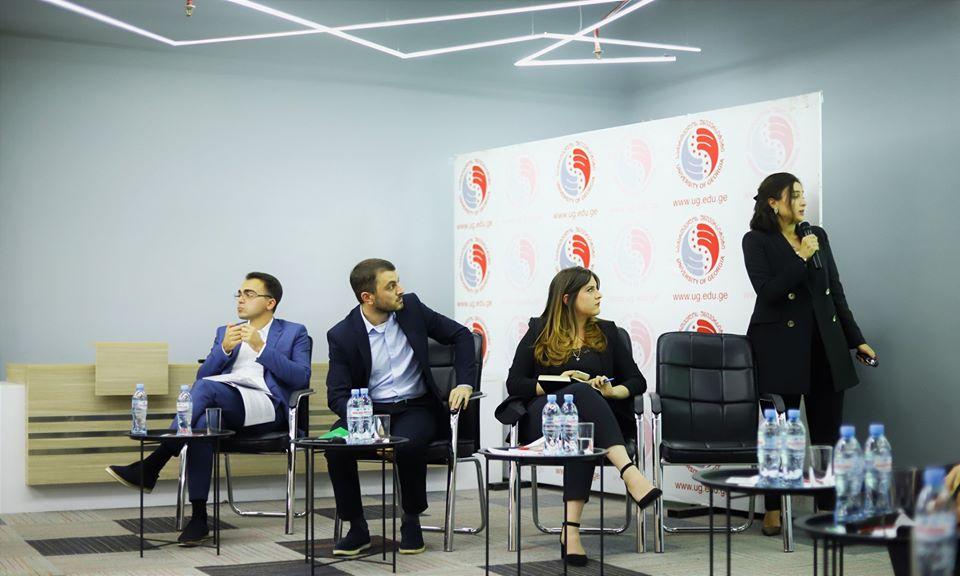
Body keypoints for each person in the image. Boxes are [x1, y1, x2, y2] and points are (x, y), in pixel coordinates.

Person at [106, 272, 311, 545]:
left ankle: (154, 461)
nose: (240, 299)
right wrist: (223, 349)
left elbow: (301, 378)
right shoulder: (225, 332)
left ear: (270, 302)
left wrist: (261, 348)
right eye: (239, 294)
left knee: (204, 391)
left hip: (266, 407)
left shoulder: (295, 332)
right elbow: (203, 375)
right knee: (202, 424)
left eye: (249, 294)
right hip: (229, 402)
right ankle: (199, 518)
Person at [495, 266, 660, 566]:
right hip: (544, 420)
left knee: (583, 427)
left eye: (598, 288)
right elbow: (515, 383)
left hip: (589, 424)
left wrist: (611, 391)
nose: (599, 295)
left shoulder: (608, 332)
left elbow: (637, 381)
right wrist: (560, 382)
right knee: (580, 394)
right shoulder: (539, 330)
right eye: (590, 290)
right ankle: (630, 473)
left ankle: (570, 532)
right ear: (567, 298)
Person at [742, 173, 877, 535]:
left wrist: (855, 339)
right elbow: (767, 292)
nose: (803, 202)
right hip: (778, 348)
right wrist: (801, 258)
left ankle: (826, 508)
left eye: (804, 195)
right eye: (795, 195)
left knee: (827, 436)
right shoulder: (756, 241)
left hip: (824, 345)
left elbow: (834, 290)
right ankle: (773, 507)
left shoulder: (816, 235)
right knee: (779, 434)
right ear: (773, 202)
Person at [325, 258, 476, 556]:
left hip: (415, 407)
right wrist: (369, 425)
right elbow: (337, 395)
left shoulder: (412, 308)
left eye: (398, 282)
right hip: (369, 412)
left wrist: (464, 383)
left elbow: (461, 335)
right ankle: (356, 527)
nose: (400, 290)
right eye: (391, 286)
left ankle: (411, 519)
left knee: (407, 444)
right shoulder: (342, 335)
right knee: (335, 448)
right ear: (368, 297)